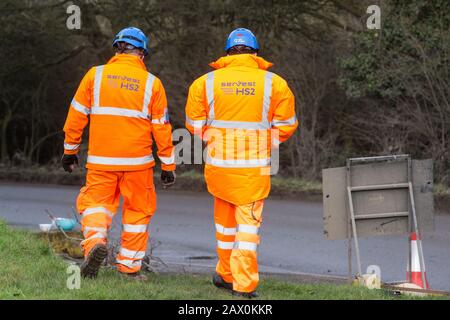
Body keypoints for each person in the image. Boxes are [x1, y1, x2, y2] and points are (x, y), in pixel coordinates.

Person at [185, 28, 298, 297]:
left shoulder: (204, 83)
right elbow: (287, 125)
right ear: (255, 53)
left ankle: (224, 275)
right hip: (253, 170)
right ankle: (243, 286)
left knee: (224, 228)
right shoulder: (275, 83)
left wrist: (216, 140)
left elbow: (194, 124)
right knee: (247, 229)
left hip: (219, 167)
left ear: (227, 54)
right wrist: (263, 142)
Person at [62, 27, 176, 280]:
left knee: (95, 206)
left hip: (101, 161)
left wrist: (70, 151)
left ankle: (94, 245)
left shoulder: (95, 76)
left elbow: (76, 117)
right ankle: (129, 269)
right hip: (138, 164)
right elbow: (162, 129)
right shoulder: (152, 84)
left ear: (117, 48)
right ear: (142, 54)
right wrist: (168, 165)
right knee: (137, 212)